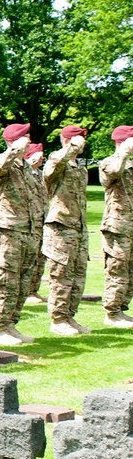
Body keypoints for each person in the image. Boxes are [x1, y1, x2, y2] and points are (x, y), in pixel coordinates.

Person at [0, 123, 40, 345]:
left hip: (27, 230)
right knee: (6, 281)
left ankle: (10, 324)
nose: (28, 139)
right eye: (25, 136)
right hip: (8, 230)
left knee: (22, 282)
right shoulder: (1, 161)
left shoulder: (26, 166)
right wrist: (13, 150)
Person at [42, 126, 90, 335]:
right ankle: (58, 319)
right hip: (61, 227)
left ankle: (70, 316)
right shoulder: (57, 161)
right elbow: (55, 165)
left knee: (78, 276)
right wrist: (70, 148)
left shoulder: (80, 167)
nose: (82, 144)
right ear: (66, 141)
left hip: (78, 227)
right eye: (77, 139)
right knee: (61, 275)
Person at [100, 126, 133, 328]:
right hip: (118, 226)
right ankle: (112, 313)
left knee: (130, 271)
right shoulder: (110, 162)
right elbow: (112, 172)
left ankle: (121, 308)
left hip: (131, 226)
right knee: (117, 269)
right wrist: (123, 153)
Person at [25, 144, 49, 304]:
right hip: (29, 222)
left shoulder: (40, 174)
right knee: (29, 259)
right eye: (39, 155)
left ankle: (34, 289)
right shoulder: (26, 173)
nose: (42, 158)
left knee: (40, 259)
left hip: (42, 221)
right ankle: (27, 291)